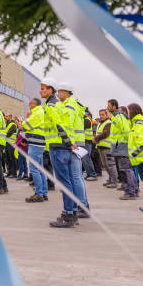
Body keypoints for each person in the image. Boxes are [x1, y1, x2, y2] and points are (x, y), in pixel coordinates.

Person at [46, 91, 80, 228]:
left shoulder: (52, 105)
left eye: (43, 88)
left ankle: (68, 215)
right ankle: (73, 212)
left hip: (58, 147)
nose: (40, 91)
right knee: (69, 181)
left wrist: (67, 141)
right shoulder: (62, 105)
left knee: (65, 183)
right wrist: (70, 142)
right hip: (65, 146)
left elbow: (58, 125)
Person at [57, 83, 89, 216]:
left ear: (66, 92)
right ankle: (84, 204)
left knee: (75, 176)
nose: (58, 95)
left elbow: (67, 126)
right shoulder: (75, 104)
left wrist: (70, 142)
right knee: (78, 176)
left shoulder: (69, 106)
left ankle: (82, 206)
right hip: (78, 143)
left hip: (74, 144)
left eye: (59, 92)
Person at [107, 100, 136, 199]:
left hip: (122, 148)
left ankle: (130, 192)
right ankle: (130, 190)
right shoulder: (116, 117)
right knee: (124, 170)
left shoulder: (120, 117)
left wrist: (128, 146)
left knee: (126, 170)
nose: (107, 107)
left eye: (109, 105)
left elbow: (127, 132)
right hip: (119, 148)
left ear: (114, 107)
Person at [22, 97, 48, 202]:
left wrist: (26, 119)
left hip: (36, 144)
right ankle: (43, 192)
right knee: (40, 168)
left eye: (30, 103)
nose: (29, 105)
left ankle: (39, 194)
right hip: (39, 143)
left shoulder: (37, 113)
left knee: (34, 168)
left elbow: (27, 125)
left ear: (34, 104)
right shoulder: (40, 112)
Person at [95, 109, 119, 188]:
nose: (101, 116)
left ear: (106, 115)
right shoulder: (101, 123)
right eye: (100, 115)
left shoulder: (108, 123)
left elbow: (105, 134)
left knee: (111, 165)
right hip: (101, 146)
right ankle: (110, 179)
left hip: (107, 147)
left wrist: (96, 138)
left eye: (103, 114)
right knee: (105, 165)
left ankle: (115, 181)